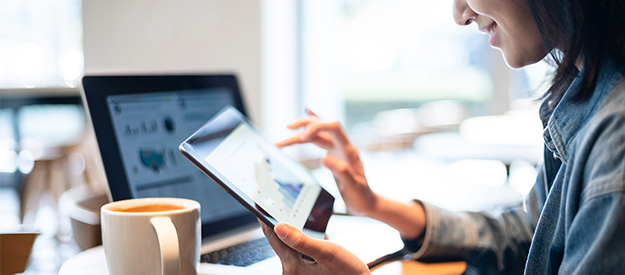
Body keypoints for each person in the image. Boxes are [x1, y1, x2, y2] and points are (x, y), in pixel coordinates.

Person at [260, 0, 625, 272]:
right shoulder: (585, 93)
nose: (459, 13)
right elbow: (528, 234)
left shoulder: (615, 140)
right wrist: (374, 206)